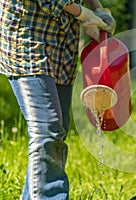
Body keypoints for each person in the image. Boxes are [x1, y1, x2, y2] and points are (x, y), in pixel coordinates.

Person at [0, 0, 115, 199]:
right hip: (28, 40)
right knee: (47, 131)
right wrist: (83, 13)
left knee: (57, 131)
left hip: (62, 45)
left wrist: (97, 8)